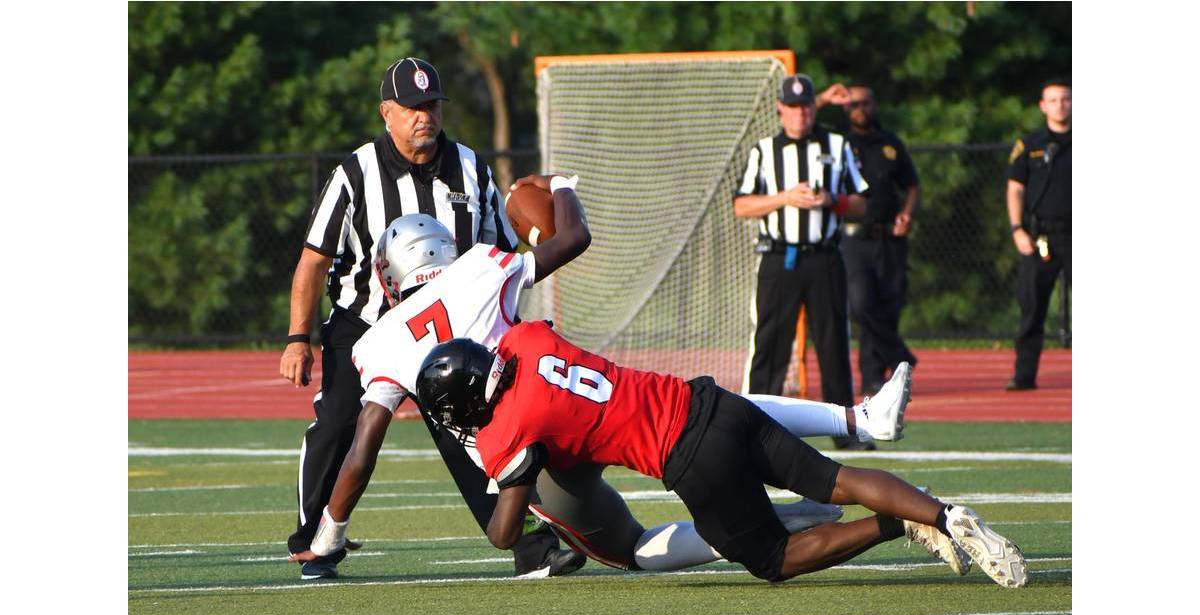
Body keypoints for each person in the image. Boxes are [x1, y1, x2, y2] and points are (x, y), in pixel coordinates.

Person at [290, 191, 948, 577]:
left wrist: (331, 530)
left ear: (389, 273)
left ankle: (772, 521)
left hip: (519, 454)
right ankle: (858, 421)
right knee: (706, 409)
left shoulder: (378, 342)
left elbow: (361, 450)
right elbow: (570, 237)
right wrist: (561, 186)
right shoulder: (481, 268)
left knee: (632, 548)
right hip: (567, 391)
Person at [414, 323, 1027, 587]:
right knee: (832, 477)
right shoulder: (527, 338)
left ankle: (898, 524)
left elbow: (503, 533)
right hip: (712, 402)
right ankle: (942, 513)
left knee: (772, 558)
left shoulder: (507, 432)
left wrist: (491, 461)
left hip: (688, 455)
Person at [277, 57, 573, 580]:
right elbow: (313, 259)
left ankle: (531, 546)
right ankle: (315, 544)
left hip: (450, 324)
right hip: (365, 322)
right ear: (386, 113)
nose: (425, 117)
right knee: (341, 424)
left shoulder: (471, 167)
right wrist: (298, 337)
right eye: (413, 108)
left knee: (476, 428)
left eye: (432, 105)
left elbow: (499, 253)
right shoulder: (355, 173)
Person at [734, 73, 872, 450]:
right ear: (781, 109)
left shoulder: (837, 145)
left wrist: (832, 200)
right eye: (793, 107)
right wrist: (784, 198)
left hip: (825, 257)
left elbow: (861, 202)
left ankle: (845, 431)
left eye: (806, 106)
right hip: (780, 257)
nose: (800, 114)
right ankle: (750, 427)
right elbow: (741, 204)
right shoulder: (764, 150)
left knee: (833, 345)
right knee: (769, 345)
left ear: (815, 107)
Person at [814, 83, 920, 397]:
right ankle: (900, 356)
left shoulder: (890, 143)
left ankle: (874, 376)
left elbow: (912, 185)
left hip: (888, 237)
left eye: (866, 103)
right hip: (852, 238)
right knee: (861, 304)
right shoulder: (836, 141)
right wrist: (823, 99)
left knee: (888, 305)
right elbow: (801, 121)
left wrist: (907, 213)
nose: (861, 109)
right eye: (854, 104)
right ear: (845, 109)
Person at [1005, 78, 1071, 391]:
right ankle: (1024, 375)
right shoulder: (1030, 145)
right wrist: (1017, 229)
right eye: (1054, 100)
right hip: (1040, 235)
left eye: (1066, 99)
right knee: (1032, 308)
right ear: (1043, 106)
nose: (1061, 105)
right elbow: (1015, 189)